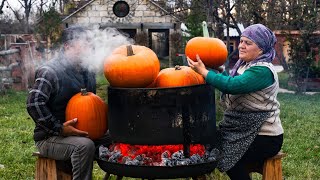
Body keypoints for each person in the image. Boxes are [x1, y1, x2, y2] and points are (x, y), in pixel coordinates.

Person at [187, 24, 284, 180]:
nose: (241, 46)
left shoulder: (263, 70)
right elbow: (233, 81)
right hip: (242, 130)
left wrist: (204, 72)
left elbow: (233, 86)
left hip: (265, 137)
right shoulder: (246, 66)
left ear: (261, 49)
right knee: (207, 146)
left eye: (248, 43)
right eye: (241, 41)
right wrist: (220, 71)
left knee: (227, 156)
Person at [27, 26, 110, 180]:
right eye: (83, 44)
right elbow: (34, 103)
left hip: (83, 132)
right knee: (84, 146)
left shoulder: (88, 71)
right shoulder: (50, 71)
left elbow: (91, 106)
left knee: (115, 137)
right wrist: (59, 128)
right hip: (50, 137)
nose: (88, 48)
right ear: (68, 46)